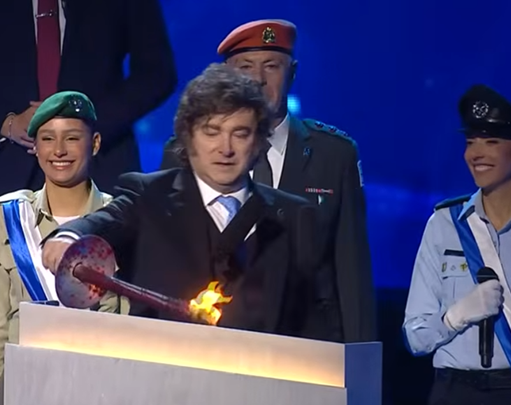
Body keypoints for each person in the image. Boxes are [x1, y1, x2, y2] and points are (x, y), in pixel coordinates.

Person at [41, 64, 342, 342]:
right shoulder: (148, 197)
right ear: (188, 137)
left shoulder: (295, 217)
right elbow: (105, 222)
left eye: (240, 134)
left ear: (259, 142)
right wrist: (68, 236)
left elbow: (318, 325)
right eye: (212, 132)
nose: (225, 148)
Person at [160, 19, 375, 343]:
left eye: (271, 66)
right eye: (246, 67)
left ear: (293, 72)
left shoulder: (334, 155)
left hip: (306, 345)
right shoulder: (184, 152)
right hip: (209, 342)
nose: (258, 79)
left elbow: (351, 273)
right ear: (227, 75)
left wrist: (361, 363)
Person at [403, 84, 511, 405]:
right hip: (453, 391)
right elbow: (415, 337)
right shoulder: (444, 224)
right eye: (470, 142)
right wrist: (456, 315)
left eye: (491, 142)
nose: (475, 154)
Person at [0, 91, 126, 381]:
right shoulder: (9, 217)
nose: (58, 150)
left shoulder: (120, 219)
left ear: (95, 144)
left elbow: (129, 321)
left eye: (71, 138)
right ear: (35, 147)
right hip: (21, 384)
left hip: (101, 383)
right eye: (47, 139)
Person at [0, 0, 177, 195]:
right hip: (8, 169)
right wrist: (6, 123)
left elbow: (156, 73)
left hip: (101, 167)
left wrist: (88, 120)